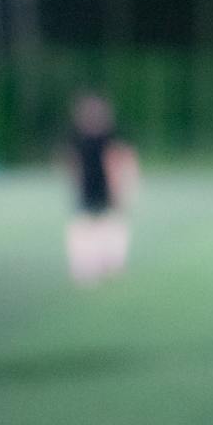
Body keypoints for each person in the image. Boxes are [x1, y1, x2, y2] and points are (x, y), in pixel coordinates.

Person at [65, 94, 138, 286]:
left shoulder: (111, 136)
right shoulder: (77, 138)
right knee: (84, 229)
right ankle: (85, 268)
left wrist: (121, 188)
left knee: (111, 227)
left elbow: (120, 160)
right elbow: (72, 163)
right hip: (86, 190)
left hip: (107, 191)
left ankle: (111, 265)